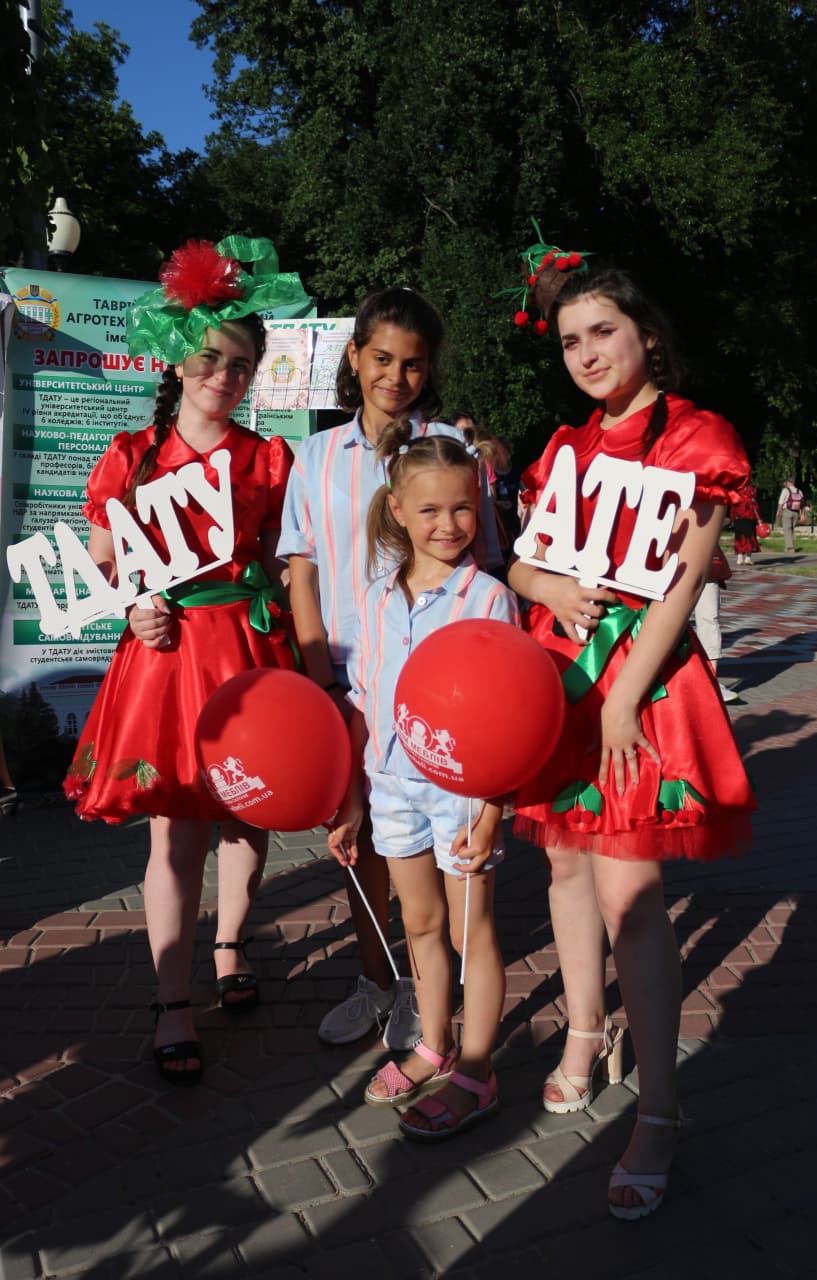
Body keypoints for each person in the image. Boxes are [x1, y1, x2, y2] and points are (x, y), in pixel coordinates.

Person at [506, 246, 755, 1219]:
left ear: (646, 332)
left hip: (639, 692)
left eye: (601, 330)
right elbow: (521, 562)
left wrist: (620, 697)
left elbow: (686, 579)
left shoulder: (697, 437)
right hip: (563, 687)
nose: (585, 352)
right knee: (565, 867)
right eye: (569, 339)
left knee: (633, 894)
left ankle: (659, 1107)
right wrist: (548, 585)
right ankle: (582, 1031)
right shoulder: (562, 450)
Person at [63, 237, 307, 1084]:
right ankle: (172, 1000)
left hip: (244, 646)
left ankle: (232, 946)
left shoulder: (268, 458)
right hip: (164, 657)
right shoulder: (131, 456)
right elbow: (99, 559)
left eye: (240, 365)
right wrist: (133, 600)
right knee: (175, 828)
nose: (224, 377)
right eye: (209, 359)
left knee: (246, 809)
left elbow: (282, 560)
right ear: (177, 361)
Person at [278, 286, 499, 1050]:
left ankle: (438, 994)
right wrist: (322, 680)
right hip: (347, 675)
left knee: (433, 845)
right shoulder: (314, 455)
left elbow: (485, 560)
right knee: (358, 836)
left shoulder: (446, 449)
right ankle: (380, 981)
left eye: (411, 364)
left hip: (437, 685)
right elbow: (300, 570)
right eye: (380, 359)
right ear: (354, 357)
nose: (395, 377)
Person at [327, 423, 520, 1139]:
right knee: (419, 924)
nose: (448, 524)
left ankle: (477, 1067)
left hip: (465, 792)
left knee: (473, 932)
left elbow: (512, 717)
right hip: (391, 787)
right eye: (431, 509)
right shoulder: (374, 601)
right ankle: (433, 1043)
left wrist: (494, 808)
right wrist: (350, 800)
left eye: (463, 508)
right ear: (397, 509)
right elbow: (361, 702)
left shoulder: (489, 600)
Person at [693, 547, 739, 704]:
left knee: (709, 621)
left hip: (706, 567)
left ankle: (711, 681)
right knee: (671, 624)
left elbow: (723, 521)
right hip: (671, 564)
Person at [729, 482, 760, 565]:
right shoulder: (752, 491)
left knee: (739, 537)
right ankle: (748, 558)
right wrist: (759, 518)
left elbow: (733, 505)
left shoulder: (736, 491)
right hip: (750, 517)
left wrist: (732, 517)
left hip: (738, 517)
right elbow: (755, 506)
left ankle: (739, 558)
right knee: (750, 537)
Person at [775, 478, 804, 554]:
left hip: (787, 511)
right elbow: (802, 504)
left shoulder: (785, 490)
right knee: (791, 530)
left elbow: (781, 501)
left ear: (788, 482)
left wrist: (778, 511)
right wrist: (802, 514)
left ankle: (790, 548)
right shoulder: (799, 491)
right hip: (796, 512)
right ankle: (790, 545)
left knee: (786, 529)